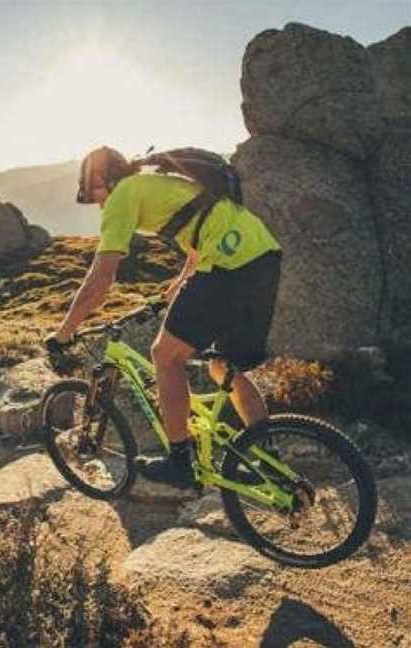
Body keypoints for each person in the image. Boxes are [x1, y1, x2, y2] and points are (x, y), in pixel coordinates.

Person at [47, 146, 282, 489]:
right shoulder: (161, 183)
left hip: (226, 268)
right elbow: (195, 241)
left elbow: (100, 280)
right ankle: (269, 460)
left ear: (108, 179)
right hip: (264, 259)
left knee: (164, 355)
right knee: (224, 367)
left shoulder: (122, 196)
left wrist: (64, 332)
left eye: (95, 190)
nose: (97, 202)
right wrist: (172, 292)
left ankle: (179, 461)